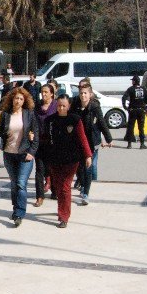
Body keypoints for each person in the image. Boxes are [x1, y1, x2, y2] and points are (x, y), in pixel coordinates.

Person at [40, 95, 92, 228]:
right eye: (59, 106)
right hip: (54, 159)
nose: (61, 108)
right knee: (58, 187)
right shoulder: (50, 120)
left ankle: (64, 216)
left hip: (71, 159)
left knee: (65, 187)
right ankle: (62, 209)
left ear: (69, 106)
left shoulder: (75, 119)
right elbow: (45, 139)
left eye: (64, 106)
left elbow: (82, 138)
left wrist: (87, 155)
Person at [0, 86, 39, 227]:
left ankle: (19, 213)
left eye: (21, 99)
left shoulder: (29, 114)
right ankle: (16, 208)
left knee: (21, 183)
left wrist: (31, 152)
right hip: (9, 154)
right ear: (11, 99)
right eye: (16, 98)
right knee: (14, 184)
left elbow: (36, 135)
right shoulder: (5, 114)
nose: (18, 101)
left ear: (24, 101)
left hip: (24, 155)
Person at [72, 80, 112, 205]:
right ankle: (82, 183)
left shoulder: (94, 107)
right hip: (78, 142)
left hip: (91, 141)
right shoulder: (75, 105)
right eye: (81, 93)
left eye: (85, 93)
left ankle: (85, 193)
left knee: (88, 168)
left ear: (90, 95)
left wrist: (108, 138)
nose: (83, 96)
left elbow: (102, 122)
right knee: (79, 168)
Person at [33, 83, 58, 207]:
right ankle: (39, 196)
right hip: (40, 143)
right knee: (39, 170)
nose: (43, 94)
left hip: (53, 144)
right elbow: (33, 123)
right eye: (42, 92)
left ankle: (55, 191)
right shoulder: (37, 107)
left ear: (52, 93)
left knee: (52, 168)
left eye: (46, 92)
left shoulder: (56, 105)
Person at [121, 75, 147, 149]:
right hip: (141, 111)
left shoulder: (130, 89)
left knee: (131, 127)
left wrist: (125, 106)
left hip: (133, 110)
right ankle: (142, 144)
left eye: (132, 80)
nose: (132, 82)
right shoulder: (144, 89)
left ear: (134, 81)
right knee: (141, 128)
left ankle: (129, 144)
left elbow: (124, 97)